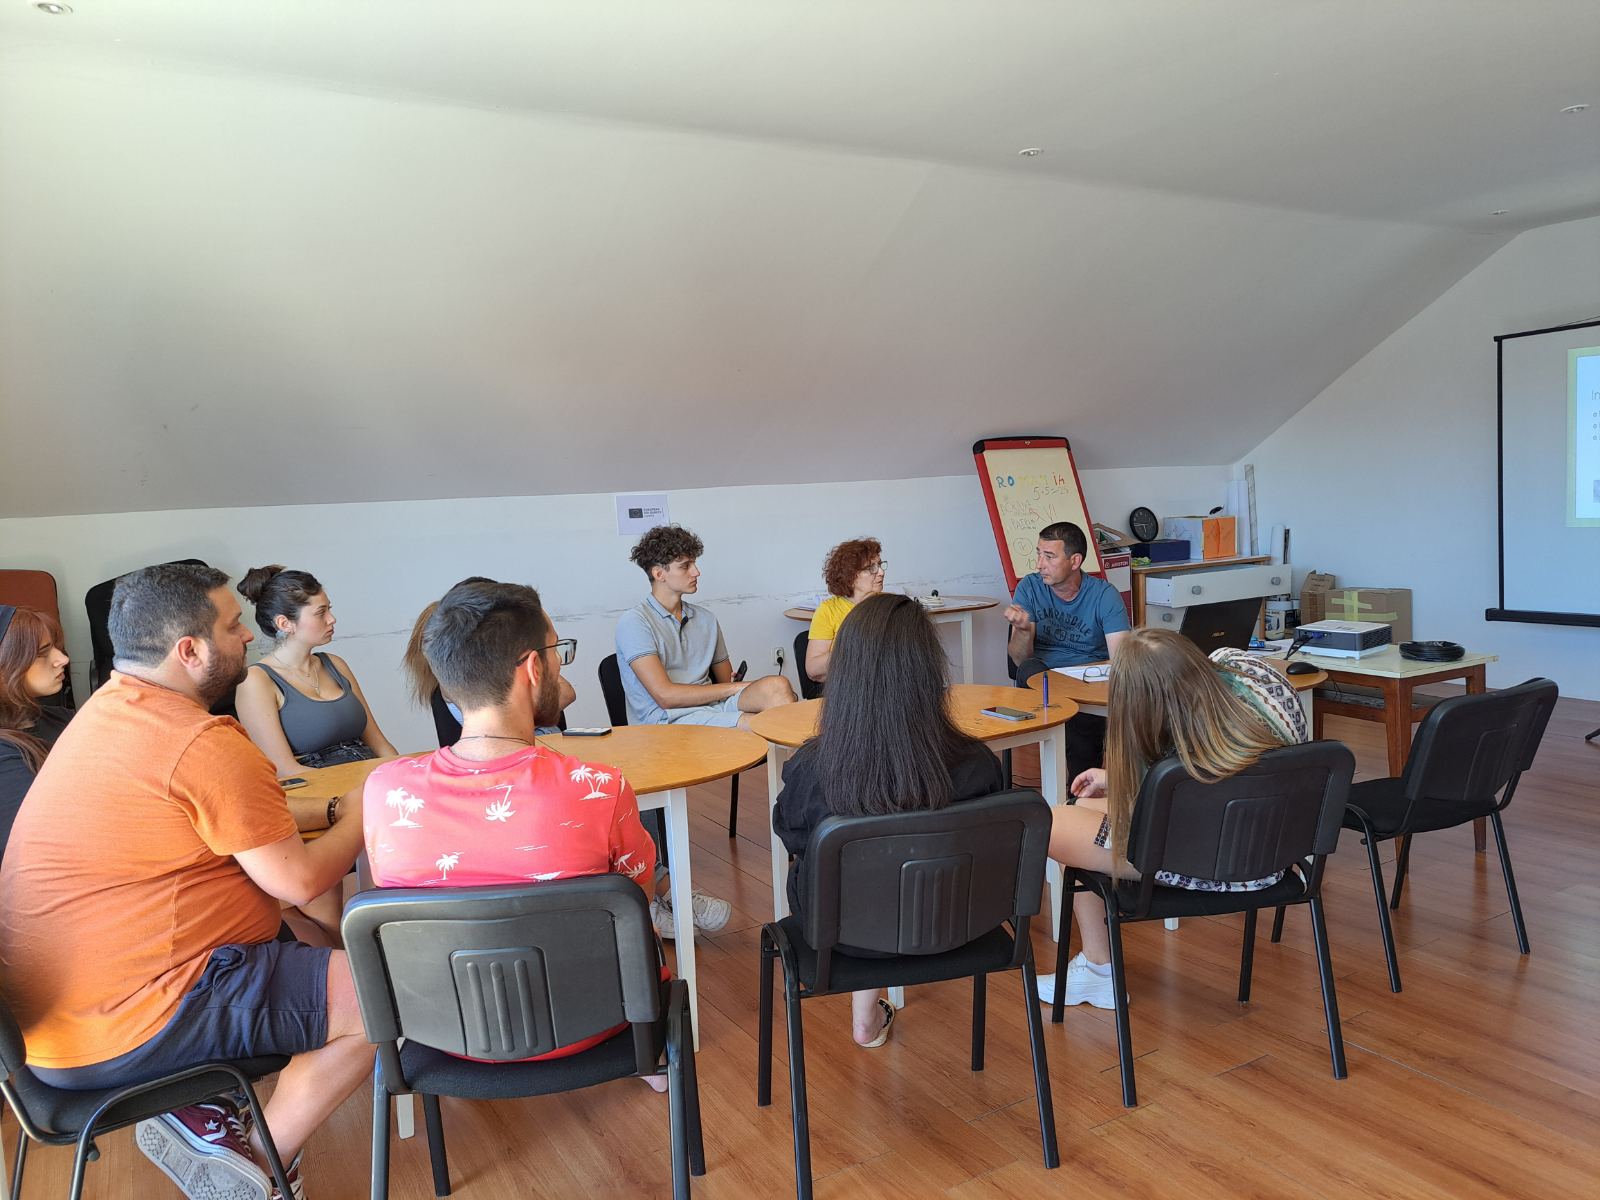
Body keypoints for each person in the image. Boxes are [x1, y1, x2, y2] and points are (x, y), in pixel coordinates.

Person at [0, 563, 371, 1200]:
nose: (247, 636)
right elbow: (302, 880)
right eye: (232, 626)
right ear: (189, 650)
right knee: (381, 991)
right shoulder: (199, 742)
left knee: (314, 941)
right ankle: (258, 1165)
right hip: (130, 1025)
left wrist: (327, 813)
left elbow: (231, 821)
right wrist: (362, 812)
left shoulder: (106, 714)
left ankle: (207, 1119)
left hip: (55, 1027)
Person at [364, 580, 667, 1084]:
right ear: (532, 669)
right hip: (595, 1022)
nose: (560, 663)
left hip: (442, 1030)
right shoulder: (599, 788)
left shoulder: (384, 791)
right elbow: (638, 902)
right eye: (557, 651)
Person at [773, 594, 1004, 1048]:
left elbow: (793, 838)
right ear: (930, 669)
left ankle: (865, 1013)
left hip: (844, 937)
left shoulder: (813, 768)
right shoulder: (978, 762)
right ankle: (866, 1013)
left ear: (846, 672)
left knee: (836, 867)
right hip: (962, 925)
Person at [1038, 627, 1308, 1009]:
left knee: (1054, 824)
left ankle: (1099, 969)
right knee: (1082, 806)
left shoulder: (1172, 760)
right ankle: (1096, 968)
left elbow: (1157, 814)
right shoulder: (1246, 684)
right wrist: (1115, 781)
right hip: (1277, 852)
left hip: (1214, 865)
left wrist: (1125, 783)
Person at [615, 525, 796, 937]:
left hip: (708, 711)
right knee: (756, 726)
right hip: (666, 723)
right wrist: (734, 691)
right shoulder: (634, 622)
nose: (696, 572)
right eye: (686, 565)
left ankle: (798, 800)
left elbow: (725, 681)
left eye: (695, 563)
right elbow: (665, 696)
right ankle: (803, 809)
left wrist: (738, 689)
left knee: (777, 687)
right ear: (659, 572)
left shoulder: (707, 619)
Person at [234, 565, 398, 775]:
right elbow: (284, 770)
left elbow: (380, 744)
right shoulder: (256, 680)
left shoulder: (335, 664)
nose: (332, 619)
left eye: (329, 609)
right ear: (285, 623)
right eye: (321, 613)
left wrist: (402, 776)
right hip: (323, 788)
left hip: (372, 778)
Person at [1003, 520, 1131, 786]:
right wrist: (1023, 631)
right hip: (1043, 676)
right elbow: (1019, 661)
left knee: (1084, 719)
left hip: (1088, 681)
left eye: (1049, 556)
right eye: (1038, 554)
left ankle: (1079, 791)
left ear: (1075, 561)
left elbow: (1122, 660)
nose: (1039, 564)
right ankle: (1075, 788)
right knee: (1030, 671)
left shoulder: (1104, 595)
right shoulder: (1030, 587)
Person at [0, 604, 73, 857]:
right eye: (43, 653)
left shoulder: (61, 718)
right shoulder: (5, 759)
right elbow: (40, 848)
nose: (62, 659)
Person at [803, 537, 885, 685]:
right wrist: (853, 650)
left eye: (879, 565)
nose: (881, 572)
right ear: (850, 576)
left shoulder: (889, 604)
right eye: (871, 568)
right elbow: (813, 670)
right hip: (847, 687)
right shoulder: (829, 610)